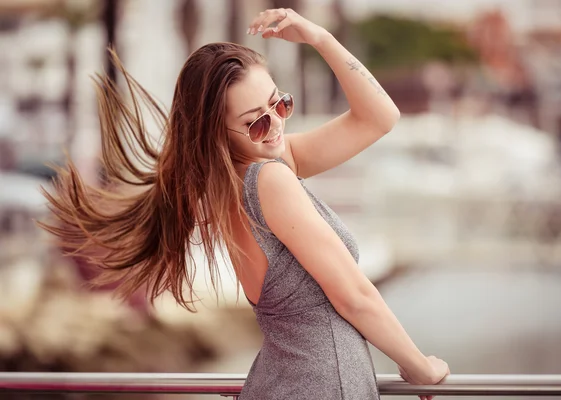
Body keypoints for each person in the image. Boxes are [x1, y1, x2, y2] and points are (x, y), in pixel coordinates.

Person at [39, 7, 450, 400]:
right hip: (325, 384)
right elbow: (353, 297)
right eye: (255, 121)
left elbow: (379, 117)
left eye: (280, 103)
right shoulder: (270, 179)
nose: (275, 126)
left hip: (284, 381)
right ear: (218, 133)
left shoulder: (239, 176)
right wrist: (417, 365)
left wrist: (320, 38)